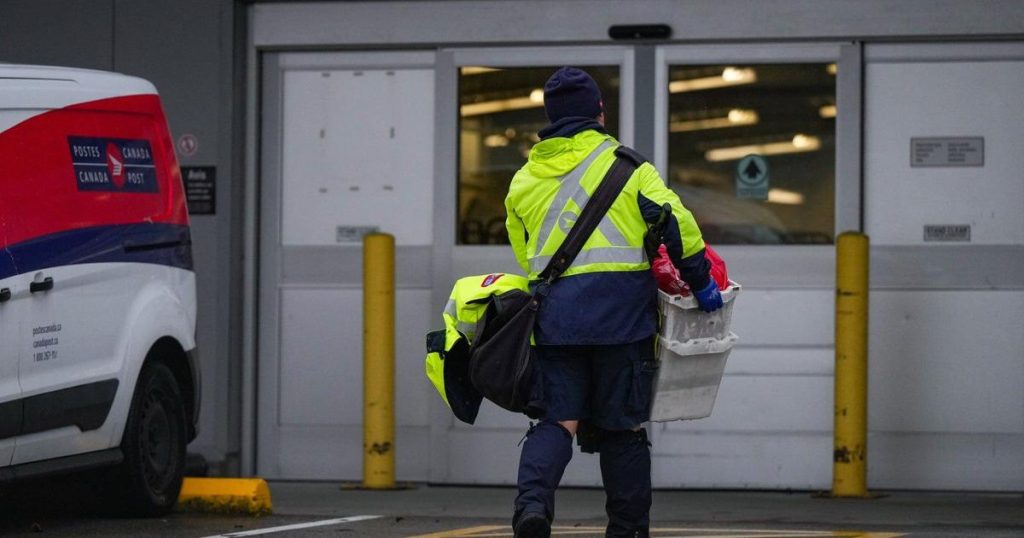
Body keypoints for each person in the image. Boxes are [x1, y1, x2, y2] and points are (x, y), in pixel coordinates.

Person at [503, 66, 723, 538]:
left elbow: (526, 257)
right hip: (623, 325)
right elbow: (678, 225)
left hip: (557, 324)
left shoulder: (524, 180)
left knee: (557, 421)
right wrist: (702, 284)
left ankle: (532, 508)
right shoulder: (631, 168)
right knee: (624, 430)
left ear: (551, 117)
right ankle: (628, 530)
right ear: (599, 113)